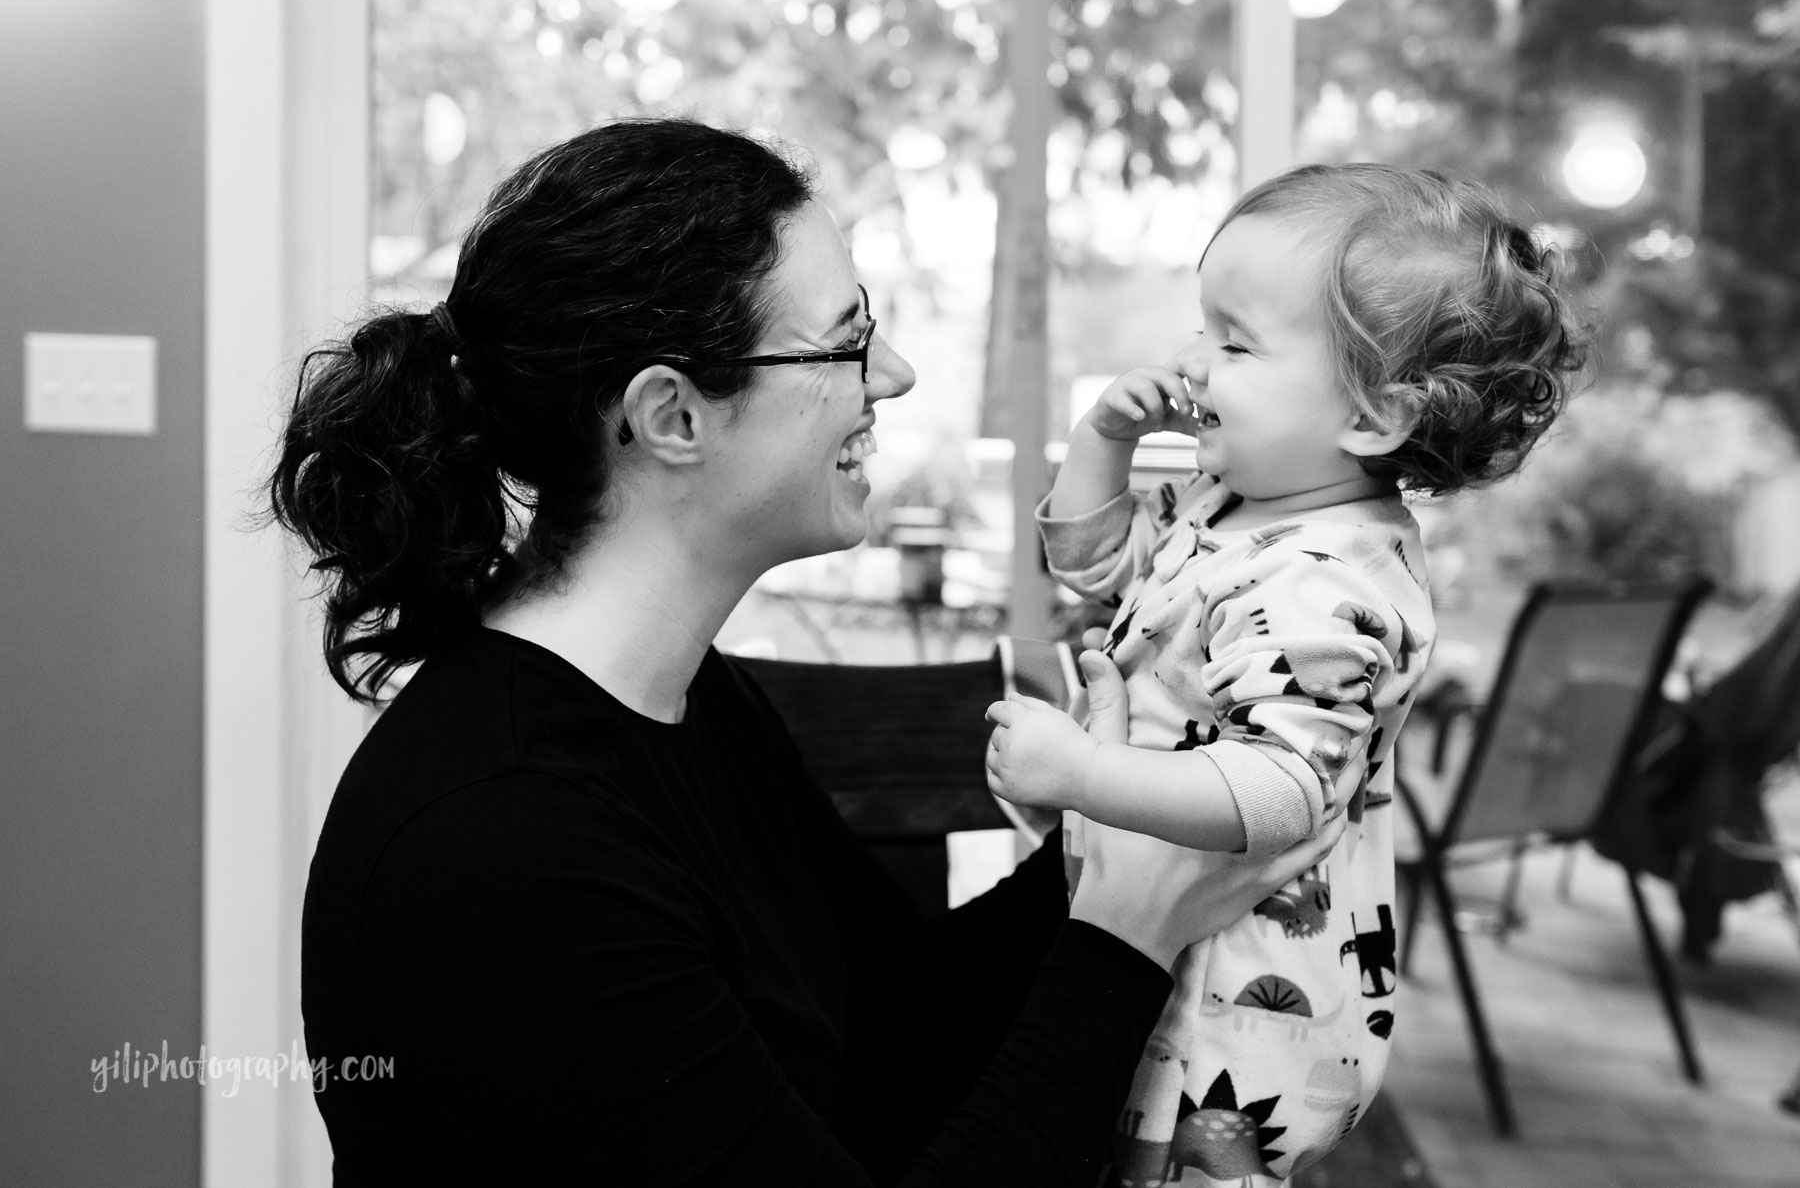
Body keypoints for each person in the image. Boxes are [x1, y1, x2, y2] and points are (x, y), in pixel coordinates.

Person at [268, 117, 1345, 1186]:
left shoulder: (693, 702)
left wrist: (1111, 830)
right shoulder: (504, 844)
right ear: (672, 415)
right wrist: (1126, 935)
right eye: (846, 340)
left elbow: (894, 1026)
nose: (898, 373)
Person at [984, 163, 1588, 1184]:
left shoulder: (1326, 581)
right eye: (1200, 328)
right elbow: (1089, 560)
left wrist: (1083, 774)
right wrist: (1103, 439)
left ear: (1370, 416)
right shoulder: (1239, 506)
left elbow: (1281, 789)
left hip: (1235, 1012)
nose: (1192, 363)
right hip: (1164, 946)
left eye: (1235, 342)